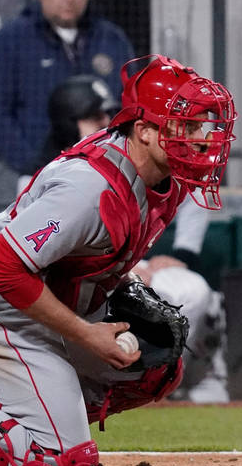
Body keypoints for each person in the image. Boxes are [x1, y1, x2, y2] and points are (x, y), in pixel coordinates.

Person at [0, 54, 236, 466]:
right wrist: (86, 333)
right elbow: (3, 267)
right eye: (186, 125)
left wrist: (118, 282)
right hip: (7, 310)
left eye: (202, 124)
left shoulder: (168, 173)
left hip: (44, 304)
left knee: (155, 366)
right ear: (143, 132)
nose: (202, 137)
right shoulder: (88, 188)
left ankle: (29, 408)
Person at [33, 74, 230, 404]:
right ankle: (31, 408)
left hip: (105, 275)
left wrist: (171, 256)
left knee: (166, 348)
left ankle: (201, 381)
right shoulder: (82, 176)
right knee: (65, 456)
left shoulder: (154, 164)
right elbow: (14, 261)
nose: (104, 121)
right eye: (93, 116)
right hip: (28, 300)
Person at [0, 0, 133, 205]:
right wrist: (32, 166)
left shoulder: (111, 40)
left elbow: (128, 106)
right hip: (27, 181)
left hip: (102, 179)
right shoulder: (10, 41)